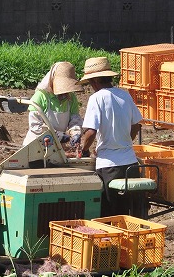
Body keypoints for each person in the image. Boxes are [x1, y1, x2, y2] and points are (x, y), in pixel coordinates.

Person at [77, 56, 143, 217]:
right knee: (130, 211)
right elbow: (137, 125)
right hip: (130, 163)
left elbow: (91, 132)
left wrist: (82, 149)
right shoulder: (125, 95)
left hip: (109, 165)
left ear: (94, 81)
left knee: (110, 213)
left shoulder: (96, 98)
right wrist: (125, 140)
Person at [22, 61, 84, 148]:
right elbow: (35, 125)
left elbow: (75, 120)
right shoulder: (41, 96)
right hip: (36, 145)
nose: (65, 93)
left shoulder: (71, 98)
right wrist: (58, 136)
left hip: (57, 147)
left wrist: (75, 133)